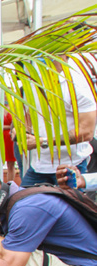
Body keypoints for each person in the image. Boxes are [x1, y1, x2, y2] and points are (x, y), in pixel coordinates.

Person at [19, 57, 96, 187]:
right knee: (21, 203)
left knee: (70, 206)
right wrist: (20, 131)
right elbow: (28, 118)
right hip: (39, 166)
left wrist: (43, 141)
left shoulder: (76, 85)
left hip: (71, 165)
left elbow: (86, 132)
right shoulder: (33, 85)